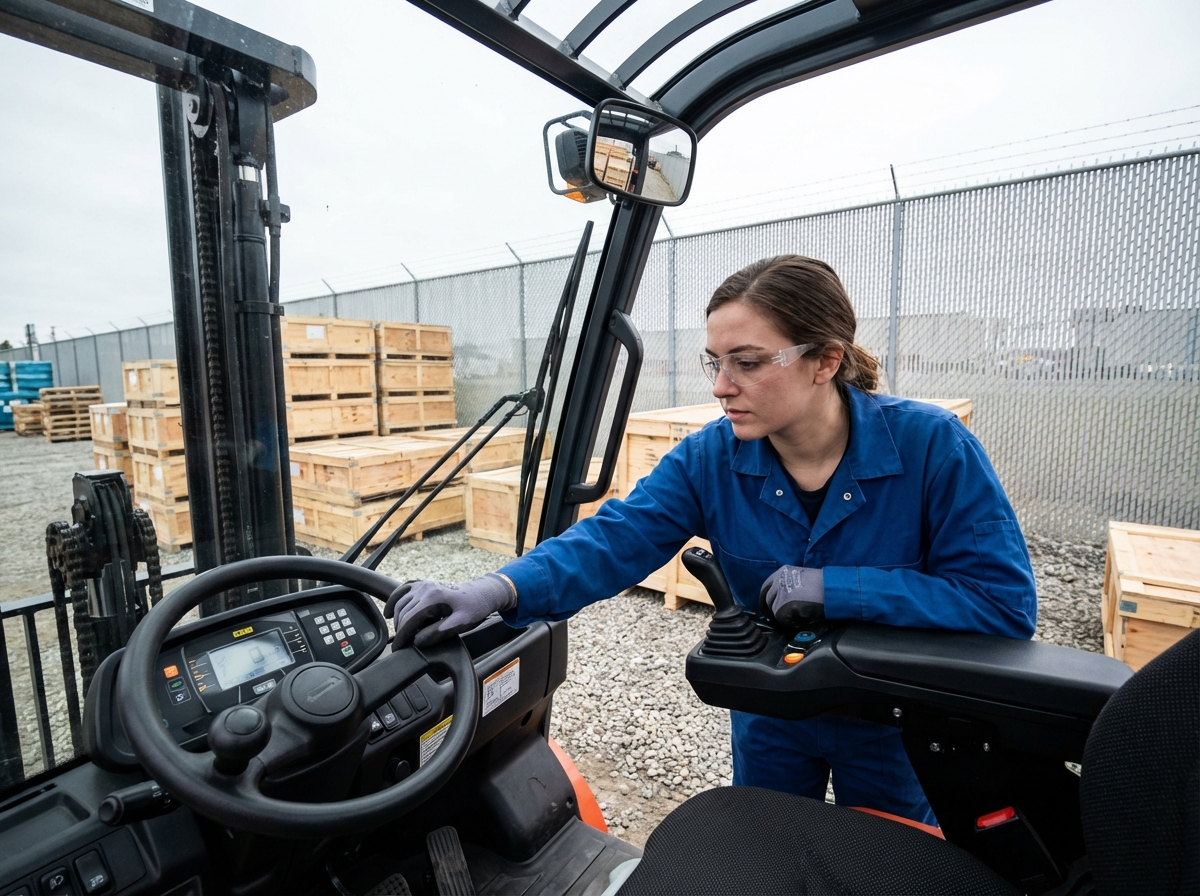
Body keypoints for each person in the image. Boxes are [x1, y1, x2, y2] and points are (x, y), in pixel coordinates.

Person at [389, 254, 1037, 826]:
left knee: (890, 864)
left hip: (893, 718)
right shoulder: (711, 459)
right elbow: (618, 537)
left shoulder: (931, 448)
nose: (721, 385)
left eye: (748, 363)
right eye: (715, 361)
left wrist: (837, 589)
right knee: (769, 851)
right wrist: (499, 588)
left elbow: (1000, 603)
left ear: (825, 361)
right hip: (774, 710)